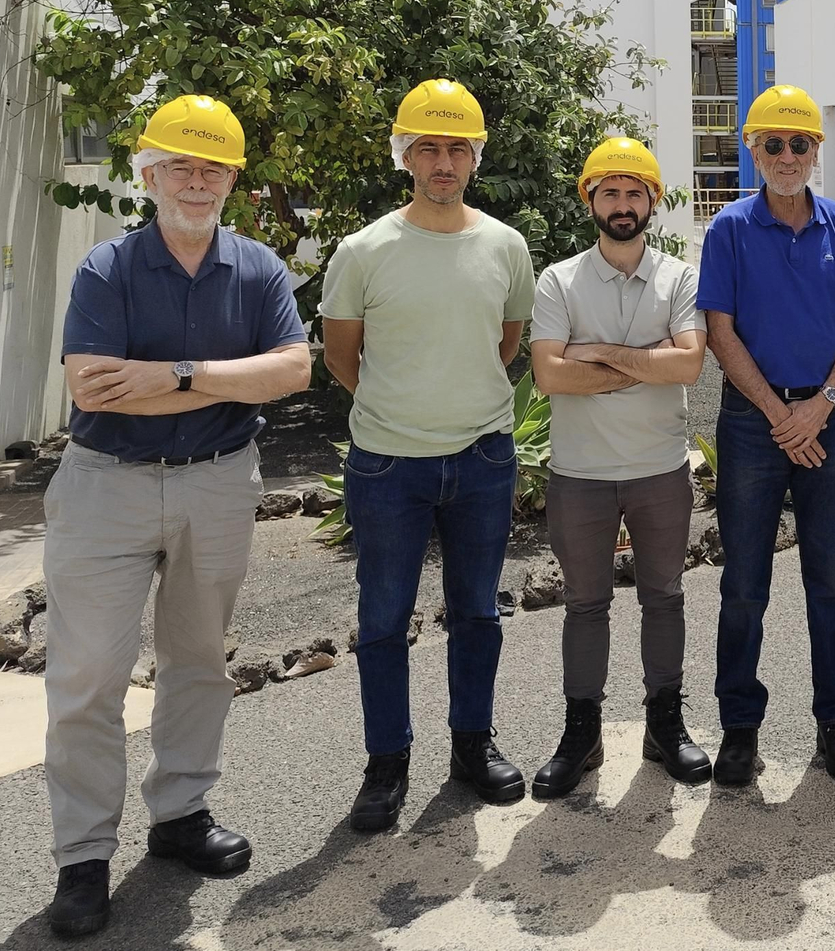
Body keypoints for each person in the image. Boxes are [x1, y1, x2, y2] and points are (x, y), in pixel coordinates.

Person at [43, 96, 311, 939]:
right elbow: (94, 384)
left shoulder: (261, 268)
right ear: (149, 174)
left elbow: (294, 372)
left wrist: (176, 374)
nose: (197, 183)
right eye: (181, 168)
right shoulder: (106, 269)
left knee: (198, 660)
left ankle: (180, 814)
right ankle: (84, 855)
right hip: (106, 486)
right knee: (88, 676)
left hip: (219, 482)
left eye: (213, 169)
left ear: (232, 179)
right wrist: (229, 375)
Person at [320, 80, 537, 833]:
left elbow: (505, 344)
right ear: (405, 155)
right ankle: (387, 764)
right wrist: (400, 405)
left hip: (482, 457)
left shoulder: (506, 245)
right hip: (388, 465)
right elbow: (343, 358)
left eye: (457, 148)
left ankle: (471, 747)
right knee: (383, 619)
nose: (443, 162)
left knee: (478, 612)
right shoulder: (363, 251)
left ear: (474, 157)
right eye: (428, 148)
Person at [697, 84, 835, 784]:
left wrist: (823, 403)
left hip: (826, 418)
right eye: (772, 143)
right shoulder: (730, 230)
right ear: (753, 149)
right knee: (745, 582)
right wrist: (781, 415)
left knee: (832, 578)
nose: (786, 154)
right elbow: (720, 331)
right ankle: (739, 728)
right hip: (754, 424)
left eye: (799, 142)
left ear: (816, 151)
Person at [528, 137, 711, 797]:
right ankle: (584, 732)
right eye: (611, 192)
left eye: (636, 192)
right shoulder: (558, 280)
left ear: (652, 202)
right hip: (581, 474)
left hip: (660, 468)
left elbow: (688, 363)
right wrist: (642, 358)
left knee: (665, 598)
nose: (624, 204)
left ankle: (665, 724)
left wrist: (596, 354)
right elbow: (549, 374)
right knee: (586, 604)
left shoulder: (678, 276)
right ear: (592, 200)